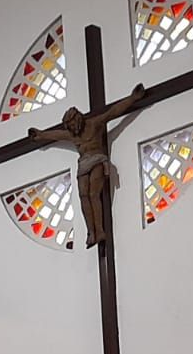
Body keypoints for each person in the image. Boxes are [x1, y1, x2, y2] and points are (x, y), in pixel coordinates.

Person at [25, 85, 147, 248]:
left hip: (97, 159)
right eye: (69, 126)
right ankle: (91, 232)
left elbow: (112, 112)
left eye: (73, 123)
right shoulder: (71, 134)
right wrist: (40, 134)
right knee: (83, 196)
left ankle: (100, 230)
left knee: (93, 194)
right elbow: (55, 134)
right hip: (83, 165)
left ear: (78, 118)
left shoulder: (94, 124)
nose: (72, 128)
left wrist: (133, 98)